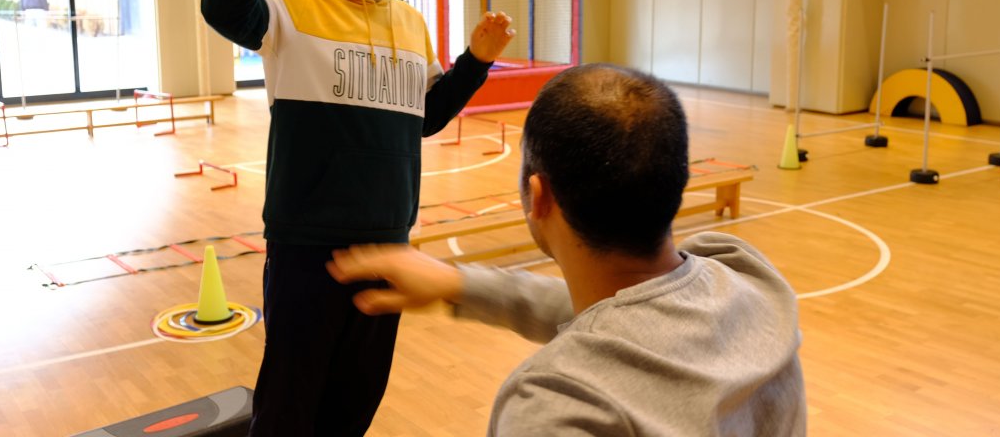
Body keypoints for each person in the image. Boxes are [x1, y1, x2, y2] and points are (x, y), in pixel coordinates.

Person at [200, 0, 516, 436]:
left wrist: (476, 63)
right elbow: (221, 8)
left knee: (355, 403)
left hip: (388, 244)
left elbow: (423, 119)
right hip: (306, 246)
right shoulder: (290, 5)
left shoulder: (411, 23)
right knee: (288, 408)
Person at [328, 64, 807, 436]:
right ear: (677, 179)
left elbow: (621, 330)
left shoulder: (562, 404)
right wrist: (460, 285)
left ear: (539, 197)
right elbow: (633, 319)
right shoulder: (743, 276)